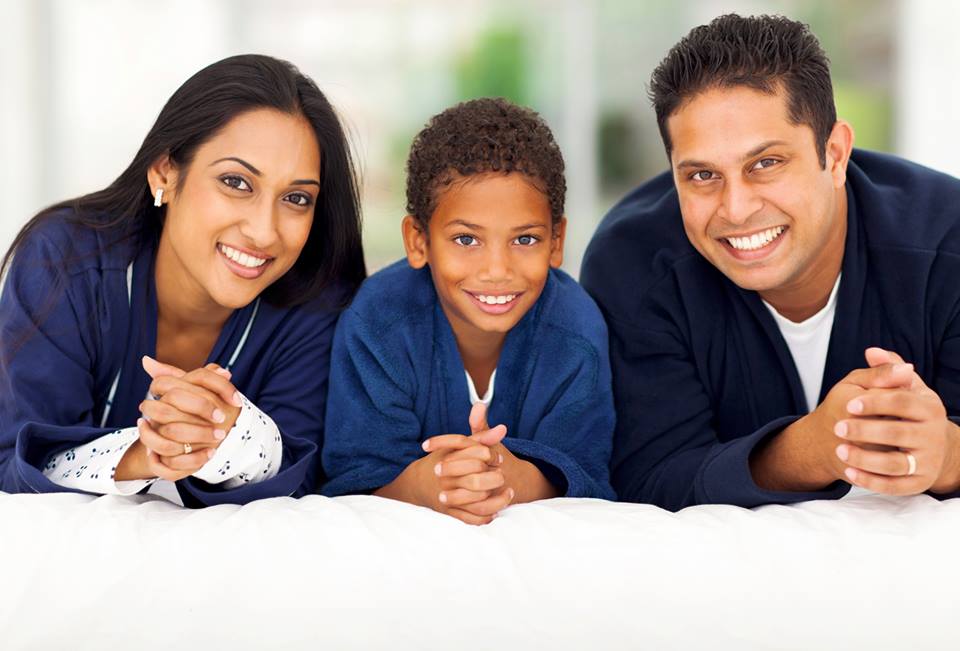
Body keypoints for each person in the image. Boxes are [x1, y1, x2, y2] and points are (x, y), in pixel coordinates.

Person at [581, 14, 960, 511]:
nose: (736, 209)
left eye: (766, 163)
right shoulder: (631, 264)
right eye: (702, 175)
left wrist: (946, 454)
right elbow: (647, 478)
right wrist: (815, 448)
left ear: (835, 154)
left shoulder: (949, 242)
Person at [0, 54, 365, 507]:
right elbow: (14, 464)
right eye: (236, 182)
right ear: (165, 172)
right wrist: (146, 453)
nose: (264, 232)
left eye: (296, 198)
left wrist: (232, 437)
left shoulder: (318, 303)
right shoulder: (65, 260)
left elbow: (302, 478)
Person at [322, 97, 615, 525]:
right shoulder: (377, 323)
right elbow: (352, 482)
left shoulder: (577, 332)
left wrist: (512, 478)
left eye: (525, 240)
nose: (497, 270)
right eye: (466, 240)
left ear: (556, 242)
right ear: (418, 241)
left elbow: (588, 478)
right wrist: (429, 483)